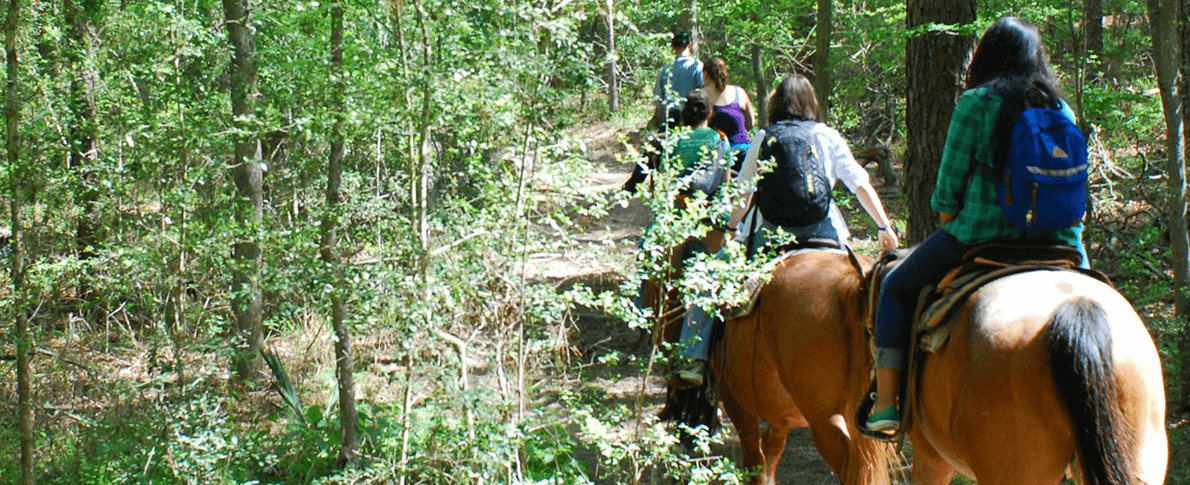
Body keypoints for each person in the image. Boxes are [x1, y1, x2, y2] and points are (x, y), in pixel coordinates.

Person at [864, 17, 1089, 435]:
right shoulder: (1061, 108)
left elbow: (945, 198)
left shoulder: (976, 103)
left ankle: (888, 404)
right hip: (1062, 242)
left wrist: (959, 218)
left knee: (895, 286)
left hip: (982, 237)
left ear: (986, 56)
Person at [671, 74, 898, 388]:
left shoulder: (764, 136)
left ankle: (693, 357)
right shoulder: (827, 135)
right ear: (810, 102)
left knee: (710, 278)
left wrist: (732, 227)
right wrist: (883, 226)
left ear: (776, 104)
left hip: (774, 232)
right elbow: (859, 183)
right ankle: (888, 367)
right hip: (825, 230)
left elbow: (744, 194)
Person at [703, 56, 755, 171]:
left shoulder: (701, 95)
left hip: (716, 156)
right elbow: (751, 123)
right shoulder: (739, 92)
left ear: (705, 74)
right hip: (743, 152)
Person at [652, 30, 705, 132]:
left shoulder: (666, 69)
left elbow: (657, 96)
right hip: (692, 117)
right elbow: (704, 92)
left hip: (671, 117)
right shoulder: (697, 66)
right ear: (689, 45)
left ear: (673, 47)